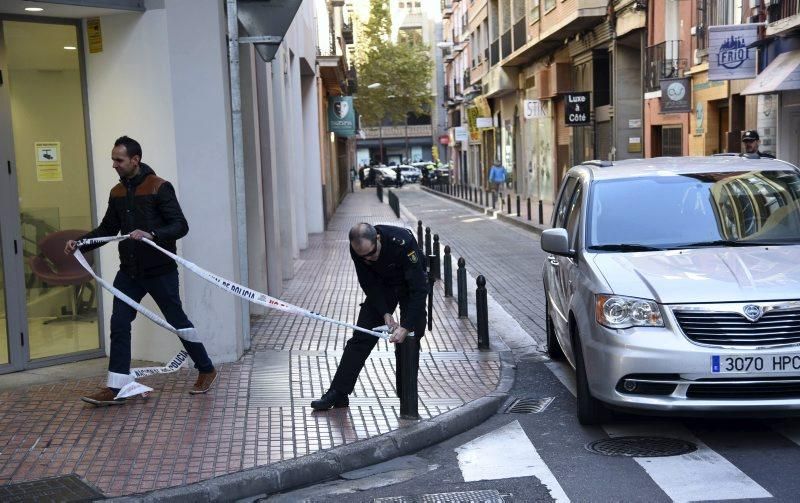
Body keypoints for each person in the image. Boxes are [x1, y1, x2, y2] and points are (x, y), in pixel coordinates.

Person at [65, 136, 217, 406]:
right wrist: (82, 243)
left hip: (160, 271)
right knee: (119, 323)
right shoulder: (117, 192)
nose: (114, 164)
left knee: (178, 321)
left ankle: (206, 369)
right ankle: (117, 387)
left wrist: (152, 234)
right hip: (129, 272)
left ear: (135, 160)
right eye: (113, 159)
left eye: (118, 160)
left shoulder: (159, 187)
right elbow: (108, 229)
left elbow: (180, 226)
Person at [311, 223, 427, 410]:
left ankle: (406, 396)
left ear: (378, 240)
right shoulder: (357, 247)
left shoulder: (402, 243)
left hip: (409, 285)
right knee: (361, 337)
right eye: (363, 256)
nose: (368, 259)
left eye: (371, 254)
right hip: (383, 287)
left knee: (409, 339)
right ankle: (338, 393)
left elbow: (419, 289)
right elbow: (368, 283)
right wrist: (384, 312)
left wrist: (406, 326)